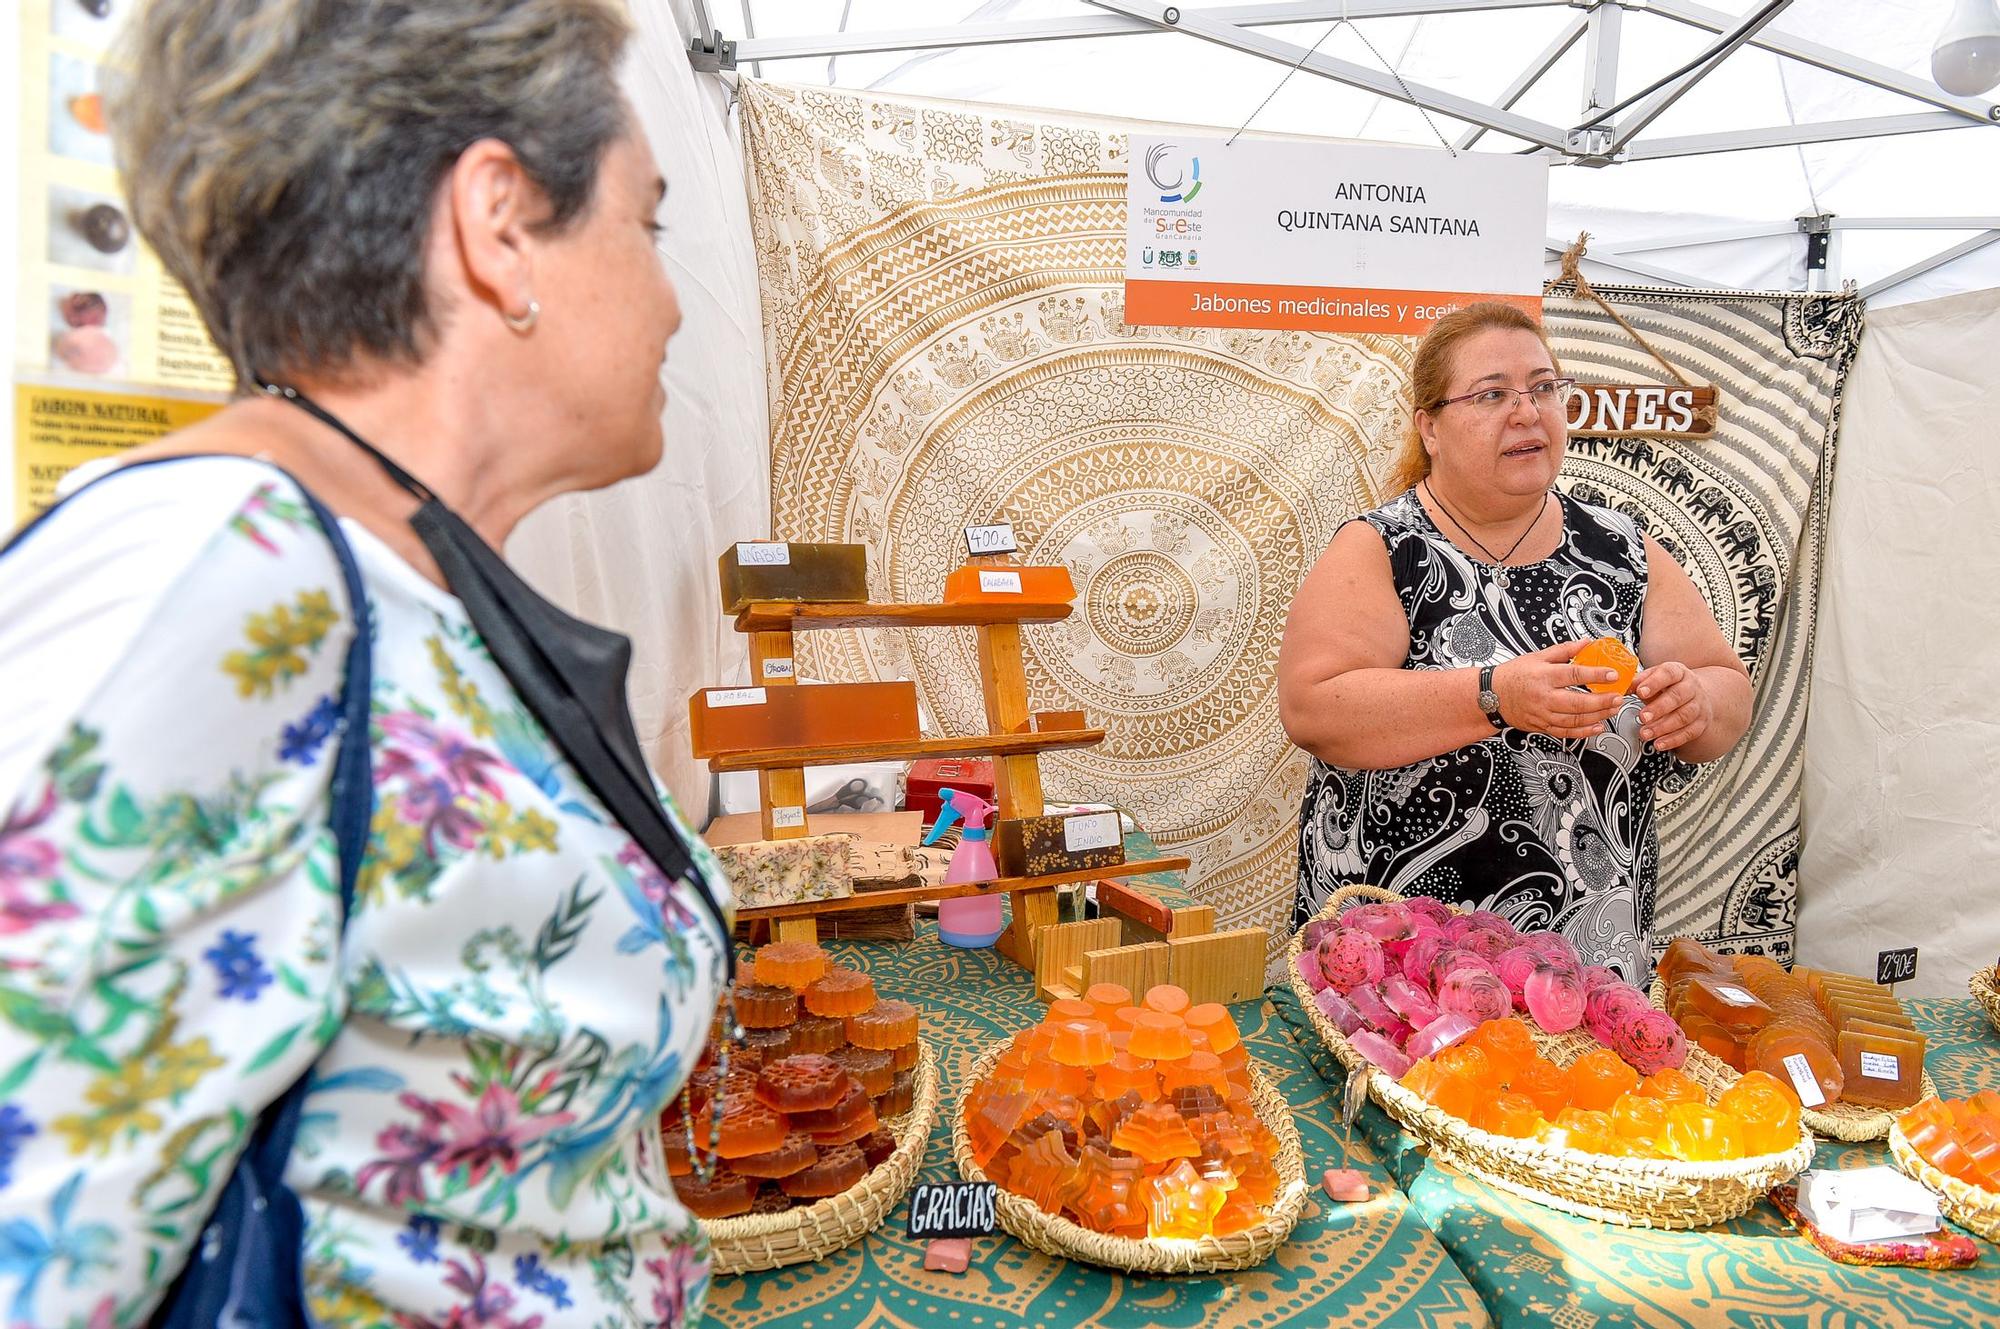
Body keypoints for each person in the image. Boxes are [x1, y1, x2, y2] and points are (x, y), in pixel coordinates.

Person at [0, 2, 734, 1324]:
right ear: (499, 223)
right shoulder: (216, 575)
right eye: (649, 221)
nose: (674, 300)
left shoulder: (392, 563)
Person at [1279, 302, 1751, 978]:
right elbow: (1313, 707)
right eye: (1493, 393)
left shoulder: (1622, 551)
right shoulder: (1382, 548)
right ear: (1430, 427)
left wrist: (1697, 702)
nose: (1528, 412)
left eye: (1544, 387)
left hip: (1584, 975)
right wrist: (1494, 695)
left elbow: (1727, 686)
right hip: (1398, 971)